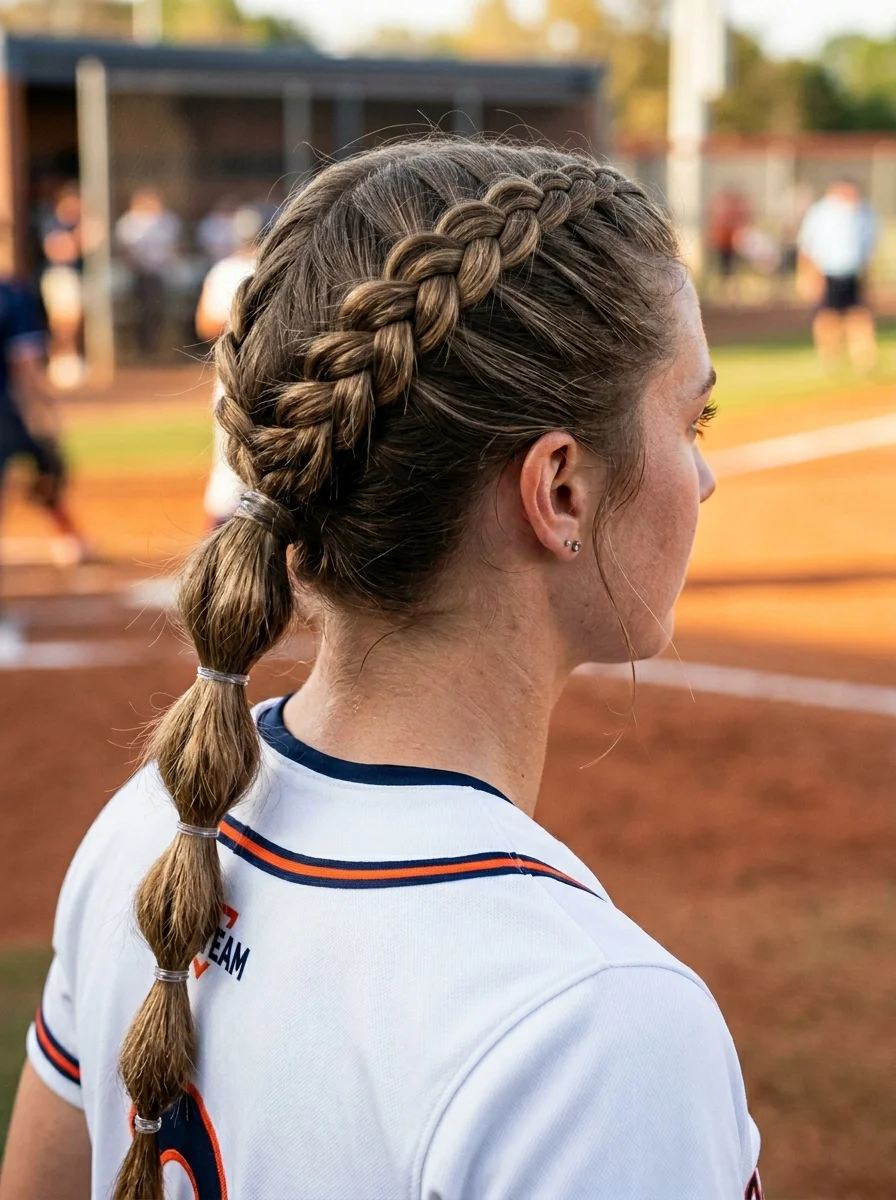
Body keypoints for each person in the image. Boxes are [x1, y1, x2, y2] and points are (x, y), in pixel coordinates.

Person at [0, 143, 764, 1200]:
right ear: (560, 492)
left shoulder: (151, 827)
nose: (706, 473)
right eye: (691, 420)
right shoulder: (589, 1024)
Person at [0, 278, 89, 600]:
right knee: (46, 466)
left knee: (42, 466)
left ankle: (68, 535)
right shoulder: (10, 296)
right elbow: (25, 365)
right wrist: (47, 413)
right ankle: (69, 537)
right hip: (6, 413)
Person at [194, 205, 263, 528]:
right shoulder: (279, 267)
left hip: (234, 376)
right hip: (272, 374)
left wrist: (238, 323)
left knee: (229, 464)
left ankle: (218, 554)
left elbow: (205, 325)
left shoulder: (225, 271)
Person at [797, 179, 878, 372]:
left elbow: (868, 246)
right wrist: (807, 275)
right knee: (827, 317)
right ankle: (831, 359)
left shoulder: (863, 211)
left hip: (852, 272)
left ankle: (864, 358)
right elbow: (807, 246)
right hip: (827, 272)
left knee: (858, 315)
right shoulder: (821, 213)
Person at [114, 189, 182, 358]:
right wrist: (142, 265)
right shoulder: (127, 222)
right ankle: (144, 345)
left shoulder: (168, 221)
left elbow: (175, 248)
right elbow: (125, 252)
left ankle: (157, 343)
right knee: (145, 300)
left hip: (163, 273)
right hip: (137, 275)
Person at [39, 183, 85, 390]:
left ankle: (70, 360)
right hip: (59, 276)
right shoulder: (52, 223)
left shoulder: (74, 223)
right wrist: (80, 237)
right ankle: (58, 363)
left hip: (73, 276)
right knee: (61, 324)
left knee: (74, 322)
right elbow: (59, 252)